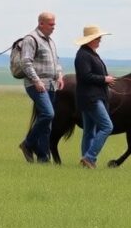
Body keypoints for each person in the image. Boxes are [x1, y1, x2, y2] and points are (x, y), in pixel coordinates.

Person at [19, 12, 65, 163]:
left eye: (54, 24)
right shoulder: (31, 39)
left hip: (51, 85)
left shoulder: (50, 41)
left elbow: (56, 61)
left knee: (47, 124)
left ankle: (43, 158)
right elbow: (25, 62)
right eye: (51, 24)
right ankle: (28, 143)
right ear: (41, 24)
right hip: (36, 85)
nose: (54, 27)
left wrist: (59, 75)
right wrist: (36, 81)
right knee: (48, 114)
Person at [73, 25, 116, 169]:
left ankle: (86, 162)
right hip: (91, 98)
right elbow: (86, 76)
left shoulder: (89, 53)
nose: (100, 40)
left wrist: (105, 80)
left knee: (89, 131)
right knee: (107, 126)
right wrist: (104, 79)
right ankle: (90, 157)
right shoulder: (83, 55)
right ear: (90, 40)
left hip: (91, 97)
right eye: (98, 38)